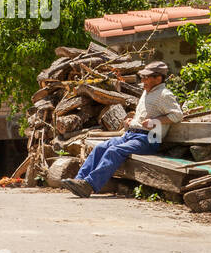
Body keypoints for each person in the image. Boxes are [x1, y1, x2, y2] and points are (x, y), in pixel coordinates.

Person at [62, 60, 184, 198]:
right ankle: (79, 180)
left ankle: (89, 185)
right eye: (142, 76)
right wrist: (132, 121)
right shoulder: (147, 92)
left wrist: (155, 121)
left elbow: (177, 115)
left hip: (149, 138)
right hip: (131, 134)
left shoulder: (164, 94)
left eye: (146, 77)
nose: (143, 79)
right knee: (100, 148)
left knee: (115, 151)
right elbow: (145, 114)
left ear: (158, 78)